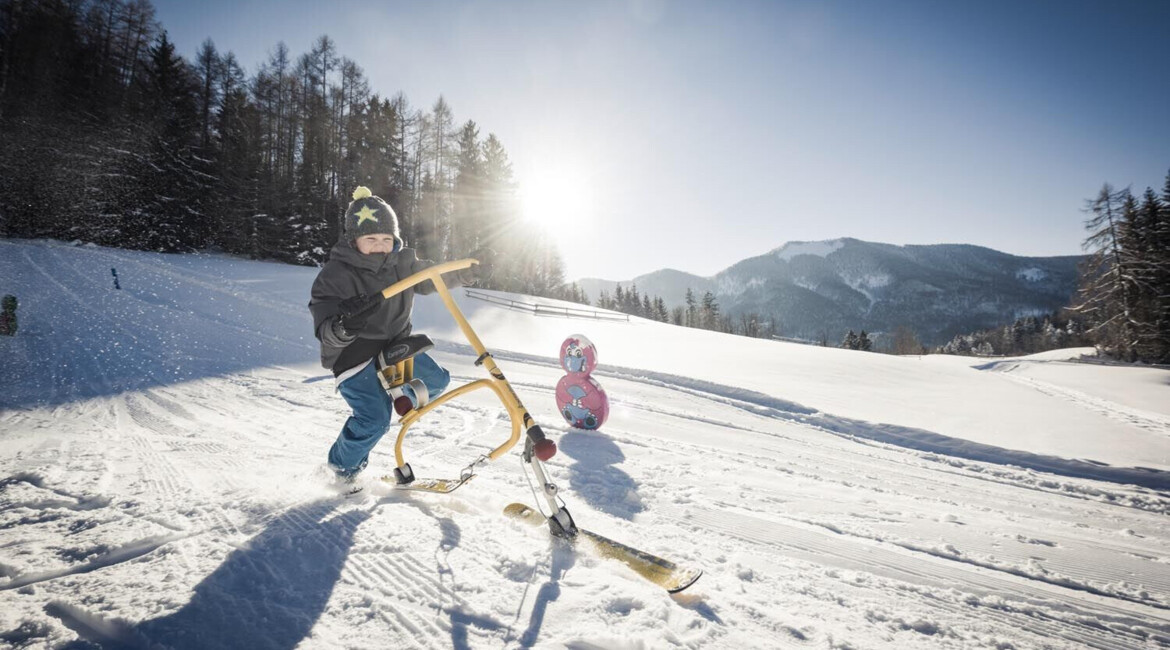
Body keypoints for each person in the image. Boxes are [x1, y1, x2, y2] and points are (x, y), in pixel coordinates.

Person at [308, 186, 489, 483]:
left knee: (437, 380)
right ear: (354, 241)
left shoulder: (402, 263)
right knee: (374, 420)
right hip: (354, 355)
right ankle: (340, 471)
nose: (381, 246)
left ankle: (398, 395)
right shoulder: (336, 274)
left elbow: (434, 276)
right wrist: (344, 326)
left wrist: (467, 271)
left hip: (395, 347)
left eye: (386, 239)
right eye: (371, 239)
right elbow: (325, 327)